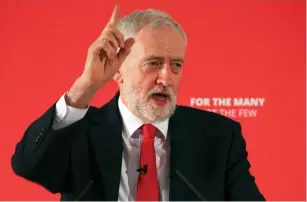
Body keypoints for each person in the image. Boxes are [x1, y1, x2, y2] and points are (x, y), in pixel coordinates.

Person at [11, 5, 265, 201]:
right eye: (153, 63)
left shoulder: (219, 136)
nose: (166, 78)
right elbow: (27, 165)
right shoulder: (80, 133)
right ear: (118, 70)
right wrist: (85, 86)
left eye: (176, 65)